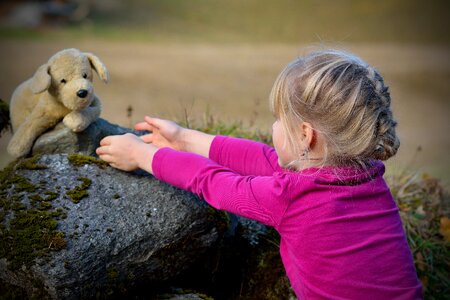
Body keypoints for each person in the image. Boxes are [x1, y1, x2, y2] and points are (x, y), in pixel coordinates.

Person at [96, 49, 423, 299]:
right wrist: (183, 138)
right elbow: (266, 160)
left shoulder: (292, 197)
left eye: (279, 119)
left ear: (306, 136)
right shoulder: (367, 177)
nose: (273, 126)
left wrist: (143, 155)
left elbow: (215, 183)